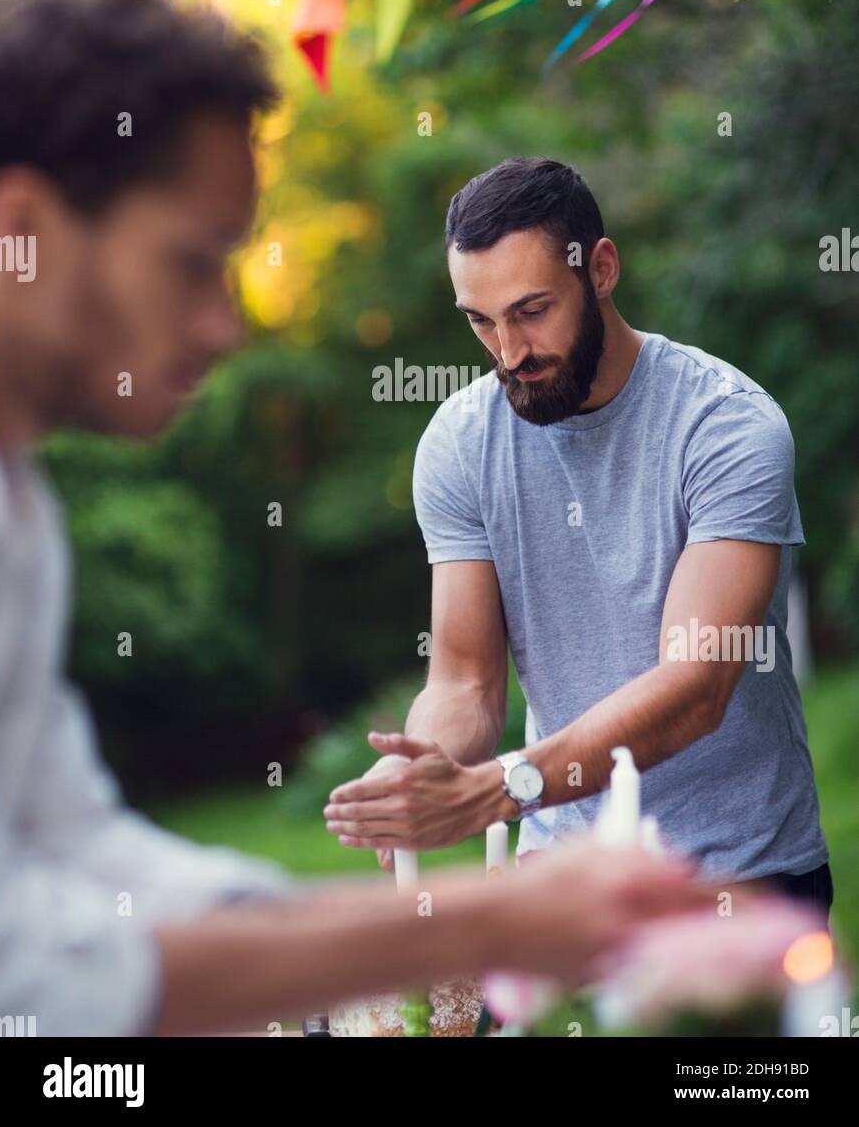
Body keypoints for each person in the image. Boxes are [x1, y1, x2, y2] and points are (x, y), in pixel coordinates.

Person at [0, 0, 711, 1037]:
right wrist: (476, 922)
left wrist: (380, 955)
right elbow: (25, 966)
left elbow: (76, 847)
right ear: (22, 228)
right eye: (193, 263)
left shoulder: (19, 501)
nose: (226, 326)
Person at [325, 157, 833, 918]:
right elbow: (464, 683)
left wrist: (502, 789)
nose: (509, 352)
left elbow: (696, 685)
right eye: (481, 321)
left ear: (600, 269)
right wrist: (425, 767)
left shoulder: (727, 425)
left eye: (531, 311)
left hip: (742, 877)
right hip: (564, 878)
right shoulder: (460, 443)